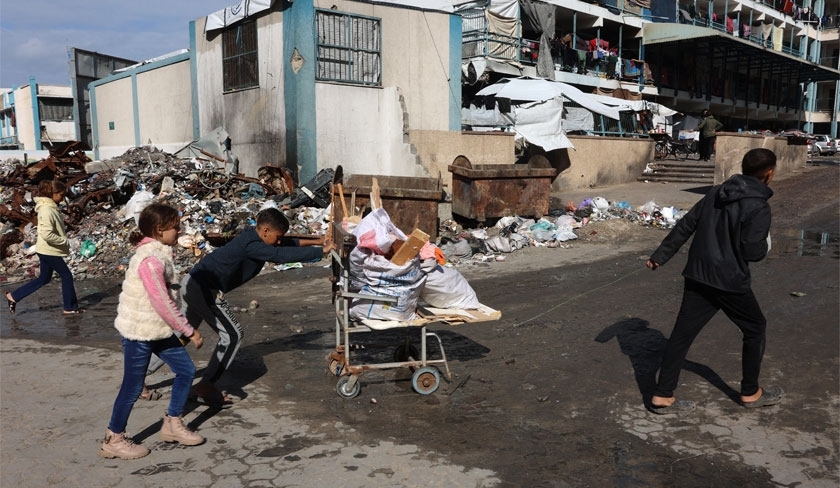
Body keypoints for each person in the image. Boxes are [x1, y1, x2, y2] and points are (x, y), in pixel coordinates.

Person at [147, 207, 335, 406]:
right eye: (277, 237)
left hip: (193, 283)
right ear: (265, 232)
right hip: (203, 289)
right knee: (233, 335)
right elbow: (281, 254)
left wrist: (317, 241)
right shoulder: (254, 247)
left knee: (183, 334)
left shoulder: (254, 237)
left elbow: (287, 243)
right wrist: (320, 251)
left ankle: (140, 372)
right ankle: (206, 385)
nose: (279, 241)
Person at [646, 148, 784, 414]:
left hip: (698, 274)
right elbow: (752, 253)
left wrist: (660, 256)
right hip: (730, 281)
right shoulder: (759, 206)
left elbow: (686, 224)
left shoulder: (715, 193)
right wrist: (765, 242)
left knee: (681, 335)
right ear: (769, 173)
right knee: (755, 328)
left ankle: (663, 395)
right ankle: (750, 392)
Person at [100, 203, 206, 460]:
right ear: (159, 230)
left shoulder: (159, 252)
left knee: (186, 370)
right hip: (139, 331)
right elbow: (162, 301)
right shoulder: (150, 260)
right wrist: (188, 330)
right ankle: (114, 438)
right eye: (175, 227)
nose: (179, 231)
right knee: (133, 386)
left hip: (156, 328)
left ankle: (172, 423)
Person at [5, 180, 84, 315]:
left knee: (44, 278)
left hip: (46, 249)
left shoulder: (50, 207)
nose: (63, 197)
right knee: (67, 276)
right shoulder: (47, 210)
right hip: (49, 250)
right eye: (61, 194)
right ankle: (69, 308)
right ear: (52, 194)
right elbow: (47, 234)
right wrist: (65, 241)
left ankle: (13, 296)